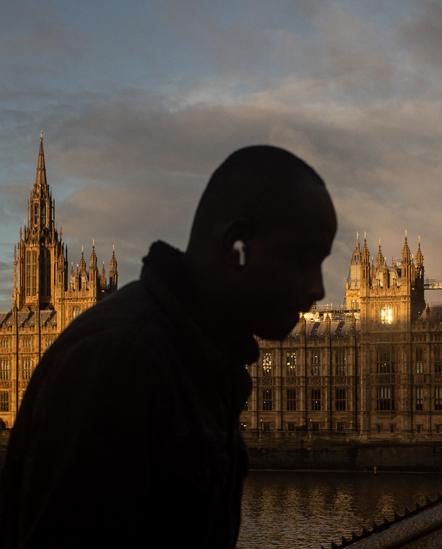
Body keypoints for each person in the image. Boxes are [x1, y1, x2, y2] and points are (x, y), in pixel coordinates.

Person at [0, 145, 337, 548]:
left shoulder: (199, 358)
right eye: (302, 259)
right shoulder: (121, 360)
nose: (317, 288)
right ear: (237, 246)